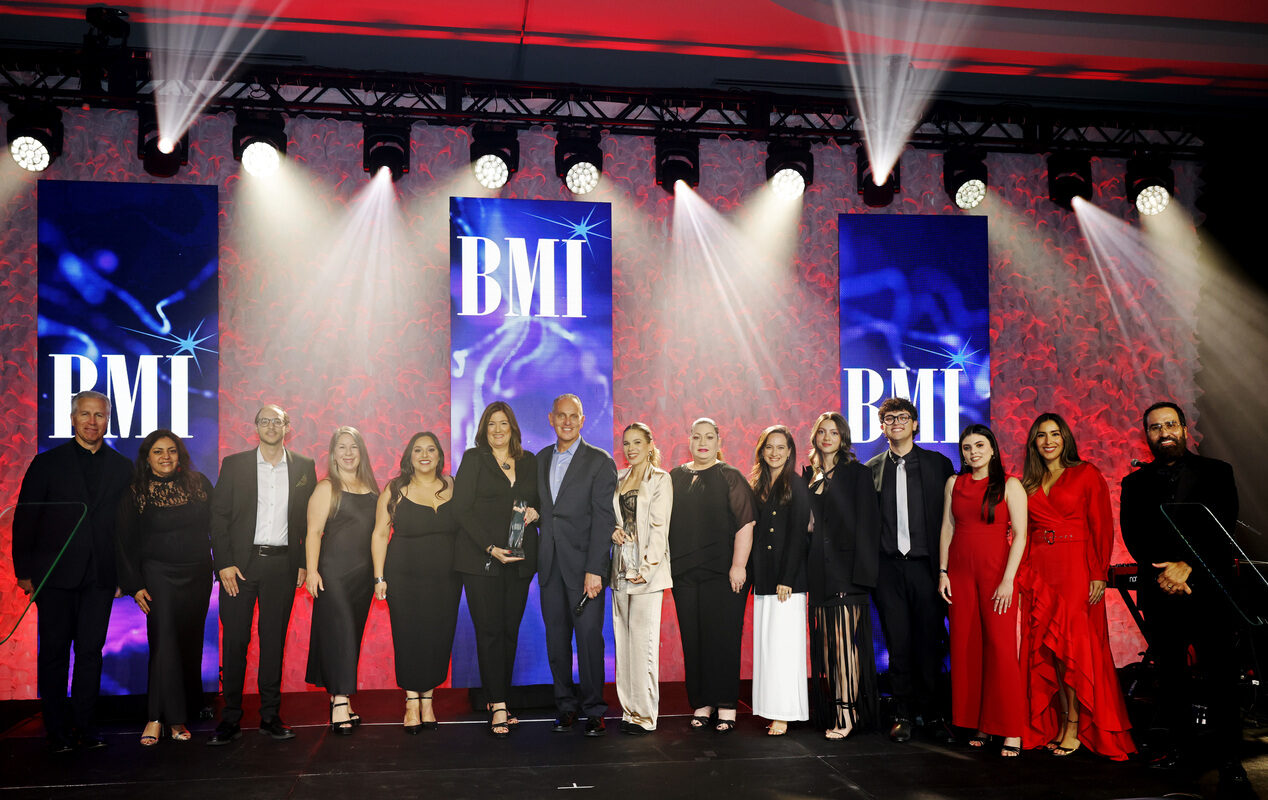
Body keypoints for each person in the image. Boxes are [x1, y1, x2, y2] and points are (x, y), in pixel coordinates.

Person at [1120, 402, 1252, 797]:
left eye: (1170, 425)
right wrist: (1165, 572)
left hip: (1209, 591)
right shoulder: (1134, 483)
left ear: (1183, 429)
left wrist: (1186, 566)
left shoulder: (1217, 472)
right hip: (1161, 591)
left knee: (1221, 677)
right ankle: (1179, 747)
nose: (1164, 433)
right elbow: (1133, 535)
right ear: (1147, 434)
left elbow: (1222, 528)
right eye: (1155, 427)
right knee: (1172, 675)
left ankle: (1230, 759)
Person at [13, 390, 132, 752]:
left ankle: (86, 726)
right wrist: (24, 572)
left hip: (100, 578)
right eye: (85, 414)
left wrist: (124, 576)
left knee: (91, 654)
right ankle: (55, 728)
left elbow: (127, 528)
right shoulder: (46, 463)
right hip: (54, 577)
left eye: (99, 415)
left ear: (107, 420)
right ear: (72, 418)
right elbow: (25, 519)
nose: (92, 422)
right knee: (53, 653)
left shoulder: (123, 467)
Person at [1021, 413, 1135, 759]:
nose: (1049, 441)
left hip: (1076, 571)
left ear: (1066, 438)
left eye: (1055, 434)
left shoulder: (1087, 474)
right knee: (1051, 650)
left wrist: (1099, 572)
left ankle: (1074, 724)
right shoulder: (1028, 482)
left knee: (1075, 649)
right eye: (1041, 436)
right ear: (1033, 443)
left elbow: (1102, 526)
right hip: (1041, 572)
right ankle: (1057, 723)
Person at [207, 404, 317, 746]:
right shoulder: (235, 464)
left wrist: (301, 562)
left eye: (277, 421)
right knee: (236, 641)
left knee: (273, 643)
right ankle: (231, 718)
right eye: (264, 420)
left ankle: (270, 716)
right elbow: (219, 517)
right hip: (239, 567)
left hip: (282, 566)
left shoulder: (304, 466)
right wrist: (223, 562)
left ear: (288, 426)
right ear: (255, 426)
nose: (271, 426)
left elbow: (306, 521)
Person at [864, 398, 955, 744]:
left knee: (929, 644)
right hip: (888, 571)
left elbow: (951, 519)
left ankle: (932, 715)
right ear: (883, 426)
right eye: (889, 418)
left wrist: (947, 569)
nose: (897, 422)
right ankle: (902, 713)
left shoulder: (938, 465)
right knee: (897, 643)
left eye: (903, 417)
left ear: (915, 424)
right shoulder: (870, 468)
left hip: (927, 568)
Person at [115, 430, 214, 745]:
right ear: (147, 458)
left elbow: (218, 527)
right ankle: (161, 718)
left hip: (198, 575)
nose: (166, 457)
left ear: (180, 454)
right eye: (158, 452)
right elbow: (123, 543)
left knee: (189, 644)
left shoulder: (200, 485)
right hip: (159, 576)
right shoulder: (136, 493)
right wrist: (134, 586)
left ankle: (186, 707)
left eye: (171, 450)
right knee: (164, 644)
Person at [938, 424, 1028, 757]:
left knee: (1001, 650)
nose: (973, 452)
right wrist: (942, 572)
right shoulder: (954, 483)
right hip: (959, 574)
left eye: (979, 445)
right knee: (967, 648)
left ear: (992, 449)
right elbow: (947, 527)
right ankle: (980, 723)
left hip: (996, 576)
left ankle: (1010, 730)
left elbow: (1020, 535)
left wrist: (1008, 579)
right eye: (966, 447)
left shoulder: (1010, 485)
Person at [452, 401, 540, 738]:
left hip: (518, 563)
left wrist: (536, 514)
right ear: (483, 429)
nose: (498, 430)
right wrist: (490, 548)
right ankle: (500, 704)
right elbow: (461, 510)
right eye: (492, 424)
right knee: (489, 631)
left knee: (508, 631)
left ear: (513, 428)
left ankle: (496, 696)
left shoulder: (529, 462)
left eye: (503, 423)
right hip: (481, 561)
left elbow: (541, 503)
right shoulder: (474, 460)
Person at [537, 394, 619, 737]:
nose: (567, 421)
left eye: (574, 416)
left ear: (583, 420)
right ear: (551, 419)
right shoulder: (540, 459)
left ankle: (594, 709)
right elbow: (544, 510)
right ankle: (565, 707)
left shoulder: (600, 461)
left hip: (586, 568)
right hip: (550, 567)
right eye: (561, 415)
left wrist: (596, 569)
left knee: (588, 642)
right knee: (556, 642)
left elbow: (604, 520)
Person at [668, 417, 756, 733]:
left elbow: (746, 524)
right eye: (696, 436)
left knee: (723, 639)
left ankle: (727, 706)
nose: (702, 442)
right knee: (694, 640)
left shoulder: (729, 476)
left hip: (723, 573)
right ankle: (702, 703)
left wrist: (738, 565)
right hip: (683, 574)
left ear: (719, 442)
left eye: (709, 437)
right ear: (689, 440)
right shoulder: (675, 476)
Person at [371, 432, 462, 733]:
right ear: (409, 457)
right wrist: (379, 577)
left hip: (447, 578)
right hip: (404, 576)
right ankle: (412, 701)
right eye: (418, 450)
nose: (425, 455)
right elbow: (380, 535)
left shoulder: (453, 486)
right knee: (409, 636)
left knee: (439, 635)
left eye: (431, 449)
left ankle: (428, 700)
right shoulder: (395, 489)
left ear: (439, 455)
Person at [803, 411, 881, 740]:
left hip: (848, 574)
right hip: (819, 573)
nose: (826, 437)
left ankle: (847, 713)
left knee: (844, 645)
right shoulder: (808, 475)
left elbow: (869, 525)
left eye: (833, 432)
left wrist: (862, 576)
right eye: (821, 431)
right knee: (830, 646)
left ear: (842, 438)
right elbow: (809, 528)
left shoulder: (857, 474)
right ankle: (838, 708)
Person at [304, 426, 379, 735]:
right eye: (341, 448)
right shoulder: (326, 487)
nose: (348, 453)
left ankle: (343, 699)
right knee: (342, 633)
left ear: (361, 452)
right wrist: (311, 570)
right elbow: (312, 533)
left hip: (363, 578)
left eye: (353, 447)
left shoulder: (374, 490)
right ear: (333, 454)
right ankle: (338, 701)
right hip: (332, 574)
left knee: (351, 636)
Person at [609, 422, 672, 735]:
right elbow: (613, 519)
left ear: (650, 444)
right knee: (624, 642)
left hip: (648, 573)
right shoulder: (618, 479)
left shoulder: (661, 479)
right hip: (620, 570)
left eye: (637, 442)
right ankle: (628, 711)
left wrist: (645, 570)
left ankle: (645, 716)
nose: (631, 449)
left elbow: (660, 530)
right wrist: (613, 531)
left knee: (643, 644)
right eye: (626, 443)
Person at [748, 425, 810, 736]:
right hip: (763, 576)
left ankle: (785, 713)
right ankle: (771, 709)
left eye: (781, 447)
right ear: (762, 450)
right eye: (769, 447)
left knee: (785, 647)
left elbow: (799, 534)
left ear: (789, 452)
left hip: (787, 580)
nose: (775, 453)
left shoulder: (796, 484)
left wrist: (787, 577)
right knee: (769, 646)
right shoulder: (757, 483)